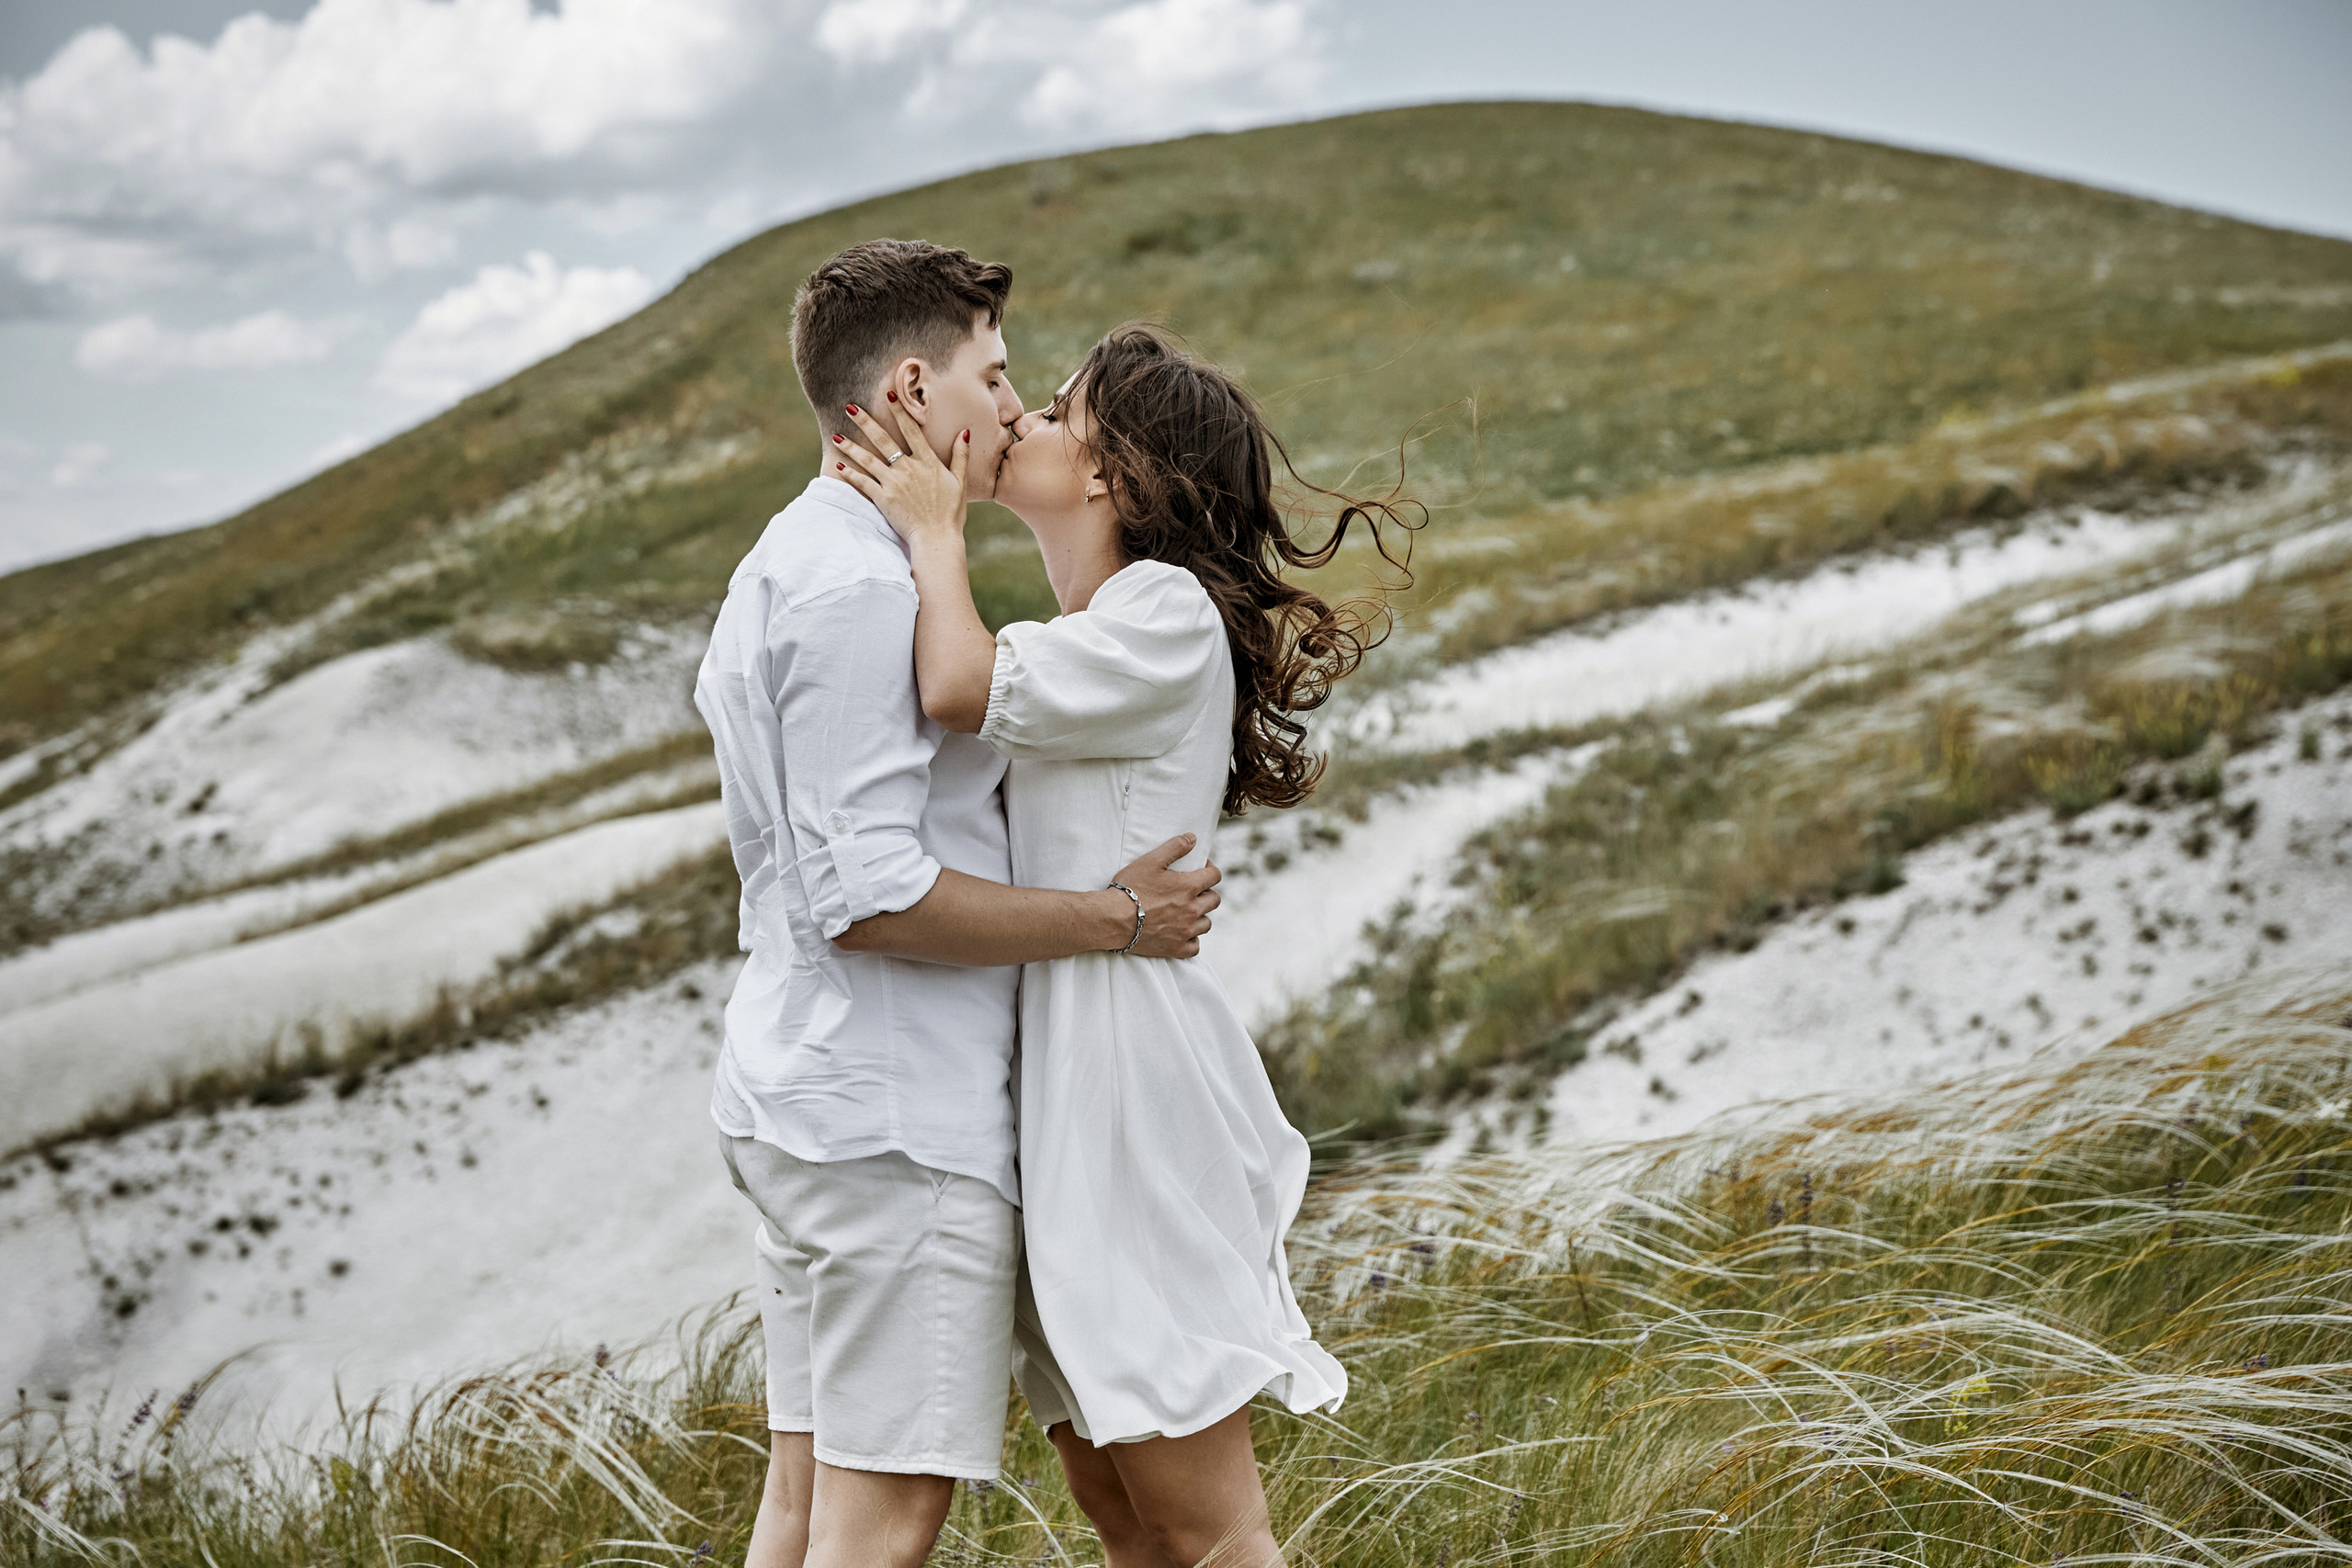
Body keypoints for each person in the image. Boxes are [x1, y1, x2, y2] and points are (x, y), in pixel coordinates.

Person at [835, 321, 1414, 1568]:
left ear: (1113, 476)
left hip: (1127, 1088)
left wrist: (935, 529)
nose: (1023, 424)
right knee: (1120, 1508)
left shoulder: (1162, 611)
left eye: (1053, 411)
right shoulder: (1108, 620)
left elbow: (956, 689)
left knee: (1207, 1527)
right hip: (1064, 1086)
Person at [694, 243, 1224, 1568]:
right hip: (894, 1117)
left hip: (802, 1088)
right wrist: (1117, 918)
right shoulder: (868, 584)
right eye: (996, 377)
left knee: (807, 1505)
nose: (1009, 407)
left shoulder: (786, 559)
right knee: (884, 1522)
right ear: (916, 387)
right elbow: (872, 899)